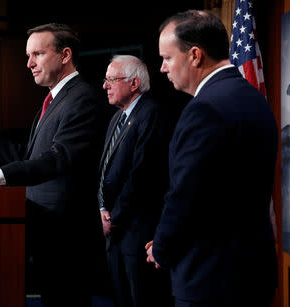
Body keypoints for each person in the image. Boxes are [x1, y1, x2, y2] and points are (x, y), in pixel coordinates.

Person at [0, 23, 108, 307]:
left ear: (65, 54)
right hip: (47, 234)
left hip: (68, 240)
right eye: (28, 55)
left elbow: (58, 159)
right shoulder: (54, 99)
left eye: (37, 54)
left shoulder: (83, 98)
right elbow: (32, 156)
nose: (29, 63)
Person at [145, 10, 278, 307]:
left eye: (167, 58)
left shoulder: (204, 109)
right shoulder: (251, 96)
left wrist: (163, 248)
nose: (163, 68)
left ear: (195, 55)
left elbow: (186, 196)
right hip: (253, 273)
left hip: (211, 280)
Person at [98, 55, 173, 307]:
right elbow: (105, 172)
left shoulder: (151, 113)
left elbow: (142, 175)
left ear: (134, 83)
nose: (105, 86)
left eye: (112, 80)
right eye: (105, 80)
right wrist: (101, 209)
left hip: (137, 232)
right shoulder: (116, 118)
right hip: (117, 232)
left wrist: (114, 218)